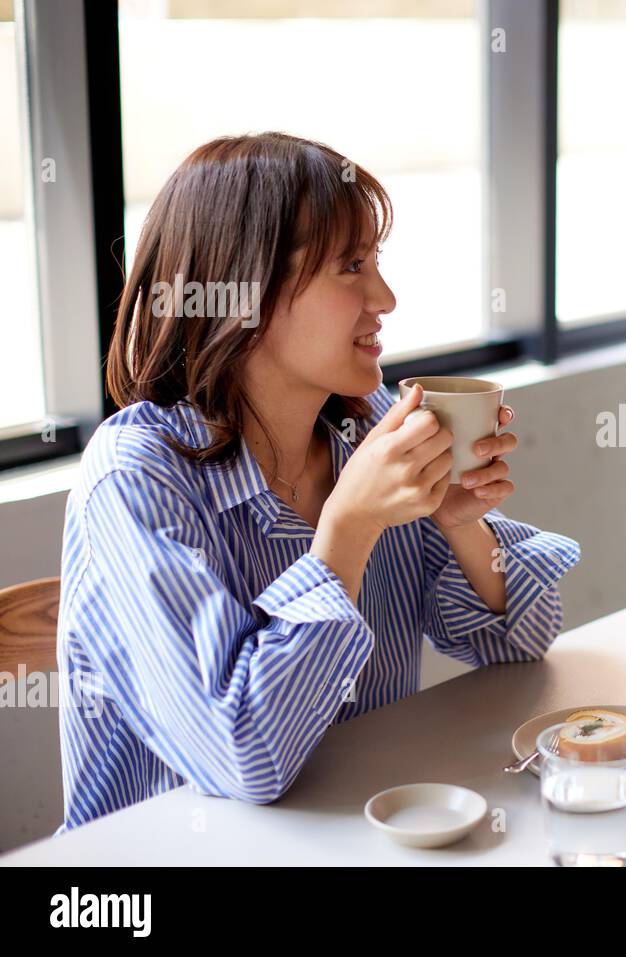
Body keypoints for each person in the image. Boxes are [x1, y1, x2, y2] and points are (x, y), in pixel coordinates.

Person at [56, 132, 580, 832]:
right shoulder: (136, 481)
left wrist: (461, 523)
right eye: (351, 266)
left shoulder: (365, 429)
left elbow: (521, 640)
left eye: (377, 263)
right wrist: (348, 529)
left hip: (355, 839)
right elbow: (247, 754)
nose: (385, 297)